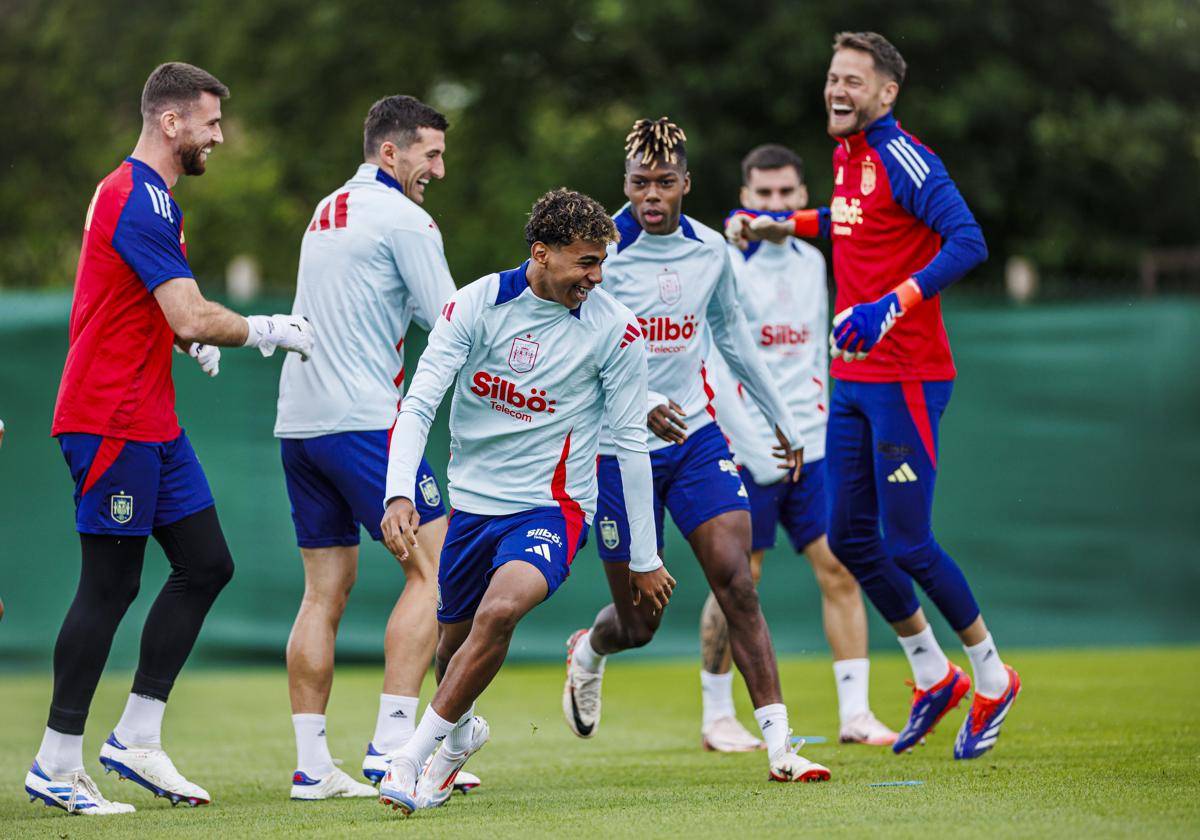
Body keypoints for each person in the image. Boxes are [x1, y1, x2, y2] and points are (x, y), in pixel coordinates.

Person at [27, 62, 315, 816]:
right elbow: (188, 310)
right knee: (111, 584)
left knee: (207, 564)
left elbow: (150, 305)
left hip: (151, 417)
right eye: (211, 122)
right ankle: (57, 762)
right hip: (110, 416)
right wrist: (264, 331)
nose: (219, 136)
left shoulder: (153, 202)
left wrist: (186, 343)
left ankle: (135, 739)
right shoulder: (139, 195)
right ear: (171, 123)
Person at [731, 31, 1019, 760]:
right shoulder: (845, 156)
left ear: (886, 93)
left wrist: (890, 305)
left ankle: (992, 675)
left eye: (853, 81)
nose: (837, 90)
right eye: (833, 77)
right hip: (853, 378)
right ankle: (932, 673)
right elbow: (853, 226)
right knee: (851, 537)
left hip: (909, 376)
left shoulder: (904, 156)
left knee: (909, 541)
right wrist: (780, 223)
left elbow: (968, 240)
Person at [375, 189, 672, 815]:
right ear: (541, 253)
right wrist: (399, 489)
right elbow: (421, 401)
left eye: (601, 264)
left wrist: (644, 555)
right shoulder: (477, 304)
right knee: (450, 651)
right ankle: (460, 739)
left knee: (501, 610)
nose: (595, 277)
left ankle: (410, 758)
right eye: (585, 263)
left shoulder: (615, 329)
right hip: (472, 507)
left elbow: (631, 447)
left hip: (552, 509)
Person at [562, 118, 830, 783]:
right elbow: (575, 353)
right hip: (616, 447)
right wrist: (638, 398)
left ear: (687, 183)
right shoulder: (599, 252)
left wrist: (785, 424)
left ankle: (780, 747)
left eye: (663, 182)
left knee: (737, 579)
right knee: (640, 625)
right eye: (638, 183)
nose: (651, 195)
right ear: (624, 185)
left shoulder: (711, 250)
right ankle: (591, 649)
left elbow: (735, 340)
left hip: (694, 437)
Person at [273, 94, 476, 800]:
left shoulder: (327, 208)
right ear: (390, 153)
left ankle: (310, 767)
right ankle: (394, 748)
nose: (439, 170)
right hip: (364, 420)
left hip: (297, 425)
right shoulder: (406, 218)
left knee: (323, 593)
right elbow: (451, 322)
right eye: (431, 154)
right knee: (440, 570)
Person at [699, 144, 896, 750]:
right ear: (746, 198)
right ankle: (716, 717)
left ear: (803, 196)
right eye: (764, 195)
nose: (776, 205)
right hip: (745, 446)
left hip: (809, 449)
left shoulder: (815, 260)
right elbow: (709, 353)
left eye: (787, 194)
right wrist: (752, 440)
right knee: (738, 579)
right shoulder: (724, 261)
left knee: (840, 567)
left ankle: (856, 714)